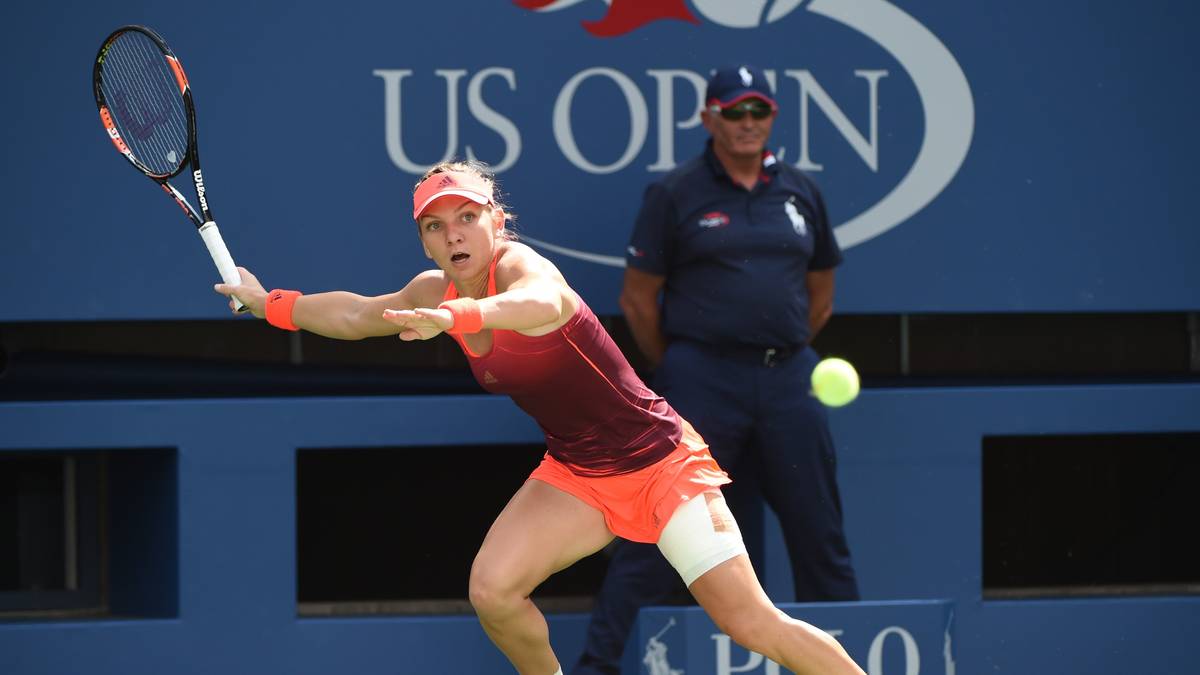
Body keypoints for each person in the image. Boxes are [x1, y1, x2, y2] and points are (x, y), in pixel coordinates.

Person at [215, 159, 865, 675]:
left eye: (467, 217)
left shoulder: (522, 266)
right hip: (579, 471)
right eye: (435, 226)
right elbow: (356, 315)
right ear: (423, 238)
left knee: (750, 622)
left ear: (497, 221)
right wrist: (269, 302)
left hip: (661, 464)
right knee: (493, 590)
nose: (453, 235)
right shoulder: (431, 290)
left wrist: (461, 317)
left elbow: (540, 300)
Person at [573, 64, 860, 674]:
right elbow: (637, 300)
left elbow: (821, 293)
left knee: (820, 534)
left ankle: (845, 666)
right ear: (709, 119)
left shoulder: (802, 191)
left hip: (789, 381)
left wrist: (775, 348)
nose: (747, 123)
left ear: (773, 119)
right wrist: (684, 363)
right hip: (700, 381)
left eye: (758, 112)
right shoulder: (675, 192)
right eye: (734, 112)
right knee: (655, 537)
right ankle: (599, 667)